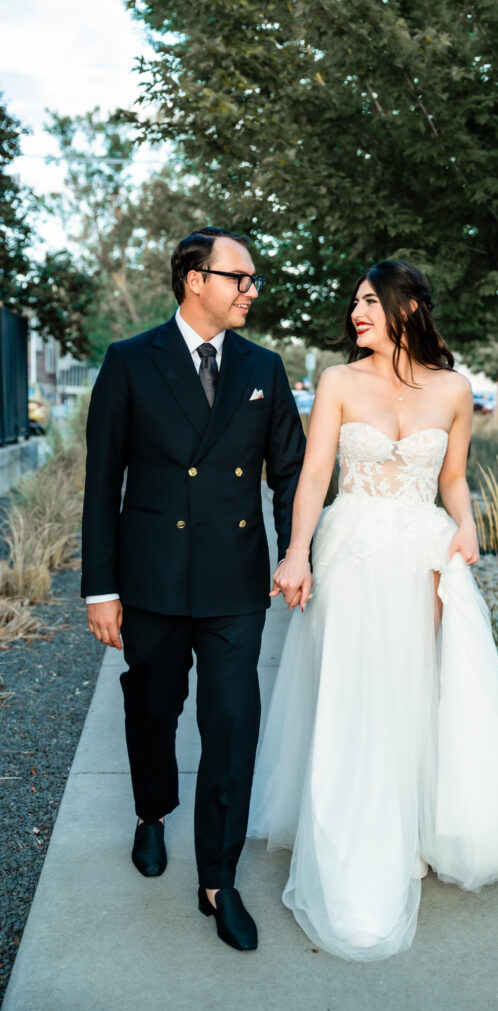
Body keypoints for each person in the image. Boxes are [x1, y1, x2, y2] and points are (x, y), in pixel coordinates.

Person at [248, 260, 498, 961]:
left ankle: (409, 832)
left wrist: (466, 526)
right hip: (350, 550)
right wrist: (294, 553)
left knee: (414, 686)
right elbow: (315, 473)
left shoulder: (453, 389)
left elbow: (452, 476)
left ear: (407, 309)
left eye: (371, 301)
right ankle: (349, 838)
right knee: (354, 688)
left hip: (422, 553)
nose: (357, 312)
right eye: (354, 302)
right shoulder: (338, 382)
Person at [81, 227, 306, 952]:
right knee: (152, 709)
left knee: (231, 726)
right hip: (147, 579)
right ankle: (152, 812)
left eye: (252, 279)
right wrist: (99, 589)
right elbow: (100, 483)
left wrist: (296, 552)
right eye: (237, 277)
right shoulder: (128, 361)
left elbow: (290, 474)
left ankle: (218, 878)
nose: (250, 290)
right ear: (192, 280)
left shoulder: (263, 368)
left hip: (235, 584)